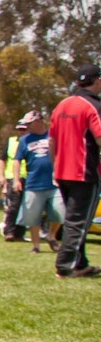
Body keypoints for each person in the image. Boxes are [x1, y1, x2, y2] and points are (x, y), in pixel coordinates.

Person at [48, 63, 101, 278]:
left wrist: (55, 168)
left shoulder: (62, 105)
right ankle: (64, 266)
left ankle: (80, 264)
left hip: (62, 173)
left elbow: (51, 141)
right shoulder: (93, 106)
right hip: (84, 173)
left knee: (74, 220)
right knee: (78, 223)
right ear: (98, 80)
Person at [11, 110, 63, 254]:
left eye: (29, 124)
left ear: (38, 122)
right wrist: (16, 180)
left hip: (55, 183)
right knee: (33, 217)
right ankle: (36, 245)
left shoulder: (53, 136)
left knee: (60, 212)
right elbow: (17, 160)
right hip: (33, 184)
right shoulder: (24, 140)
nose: (26, 127)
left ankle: (51, 235)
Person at [0, 131, 28, 242]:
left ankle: (20, 233)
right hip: (12, 177)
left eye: (24, 129)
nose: (22, 131)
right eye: (20, 129)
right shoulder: (11, 141)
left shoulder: (32, 141)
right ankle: (9, 232)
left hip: (29, 177)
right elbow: (2, 159)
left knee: (25, 207)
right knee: (13, 206)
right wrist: (1, 176)